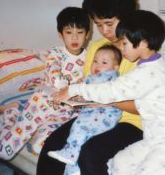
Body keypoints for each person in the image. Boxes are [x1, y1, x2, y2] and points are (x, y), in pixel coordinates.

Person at [37, 0, 165, 175]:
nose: (104, 30)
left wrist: (101, 98)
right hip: (95, 115)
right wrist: (77, 98)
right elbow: (90, 84)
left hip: (134, 121)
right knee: (52, 145)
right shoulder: (97, 48)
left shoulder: (145, 51)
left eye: (109, 23)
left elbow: (144, 106)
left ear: (127, 18)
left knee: (90, 154)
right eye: (98, 24)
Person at [54, 10, 165, 175]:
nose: (121, 49)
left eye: (125, 43)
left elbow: (110, 90)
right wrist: (152, 33)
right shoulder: (164, 59)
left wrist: (73, 89)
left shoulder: (145, 74)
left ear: (143, 42)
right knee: (119, 162)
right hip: (152, 139)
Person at [0, 7, 90, 160]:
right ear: (60, 35)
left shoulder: (89, 57)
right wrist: (60, 83)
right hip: (45, 99)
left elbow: (90, 80)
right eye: (69, 33)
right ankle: (12, 122)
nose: (74, 38)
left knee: (41, 146)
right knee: (28, 120)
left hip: (66, 110)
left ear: (87, 35)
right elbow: (52, 69)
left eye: (79, 33)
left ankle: (29, 125)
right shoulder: (56, 53)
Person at [47, 44, 122, 173]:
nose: (97, 65)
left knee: (80, 128)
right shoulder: (93, 78)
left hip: (105, 115)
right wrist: (67, 98)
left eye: (104, 62)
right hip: (94, 113)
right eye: (95, 61)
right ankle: (73, 169)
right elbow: (83, 93)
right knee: (79, 135)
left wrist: (74, 97)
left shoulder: (108, 76)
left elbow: (96, 94)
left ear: (115, 68)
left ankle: (69, 153)